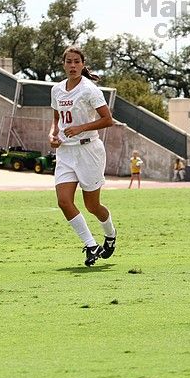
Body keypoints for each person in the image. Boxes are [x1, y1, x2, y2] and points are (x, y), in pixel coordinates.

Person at [49, 46, 117, 267]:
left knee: (92, 206)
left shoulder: (90, 90)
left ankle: (110, 235)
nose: (72, 66)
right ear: (63, 64)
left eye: (76, 62)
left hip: (89, 151)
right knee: (64, 201)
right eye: (68, 61)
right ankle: (90, 245)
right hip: (66, 152)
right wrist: (53, 134)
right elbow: (56, 119)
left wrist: (81, 128)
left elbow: (108, 120)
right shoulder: (57, 90)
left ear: (83, 64)